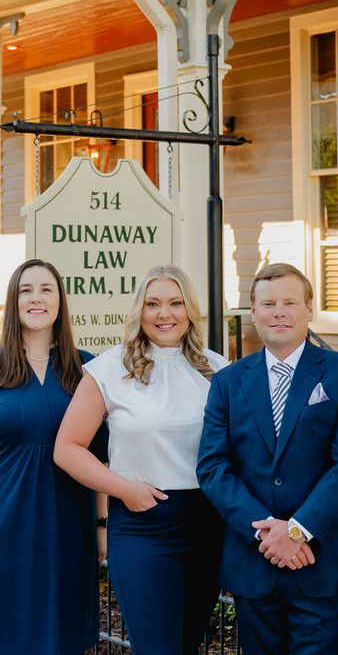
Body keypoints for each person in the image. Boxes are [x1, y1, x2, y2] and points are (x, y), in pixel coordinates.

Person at [197, 262, 338, 655]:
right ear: (253, 311)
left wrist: (296, 531)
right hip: (254, 561)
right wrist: (266, 533)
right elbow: (212, 467)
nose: (279, 312)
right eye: (268, 303)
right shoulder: (227, 381)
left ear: (309, 309)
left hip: (319, 561)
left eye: (290, 302)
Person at [54, 265, 228, 655]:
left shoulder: (218, 370)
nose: (164, 314)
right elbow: (67, 448)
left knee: (188, 645)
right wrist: (125, 489)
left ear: (190, 310)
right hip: (143, 523)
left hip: (206, 524)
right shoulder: (110, 368)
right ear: (139, 311)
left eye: (175, 303)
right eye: (153, 304)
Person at [0, 259, 100, 655]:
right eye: (26, 290)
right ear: (13, 301)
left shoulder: (87, 369)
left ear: (60, 301)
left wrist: (102, 524)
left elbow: (102, 455)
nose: (36, 298)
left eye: (46, 289)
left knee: (60, 630)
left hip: (67, 523)